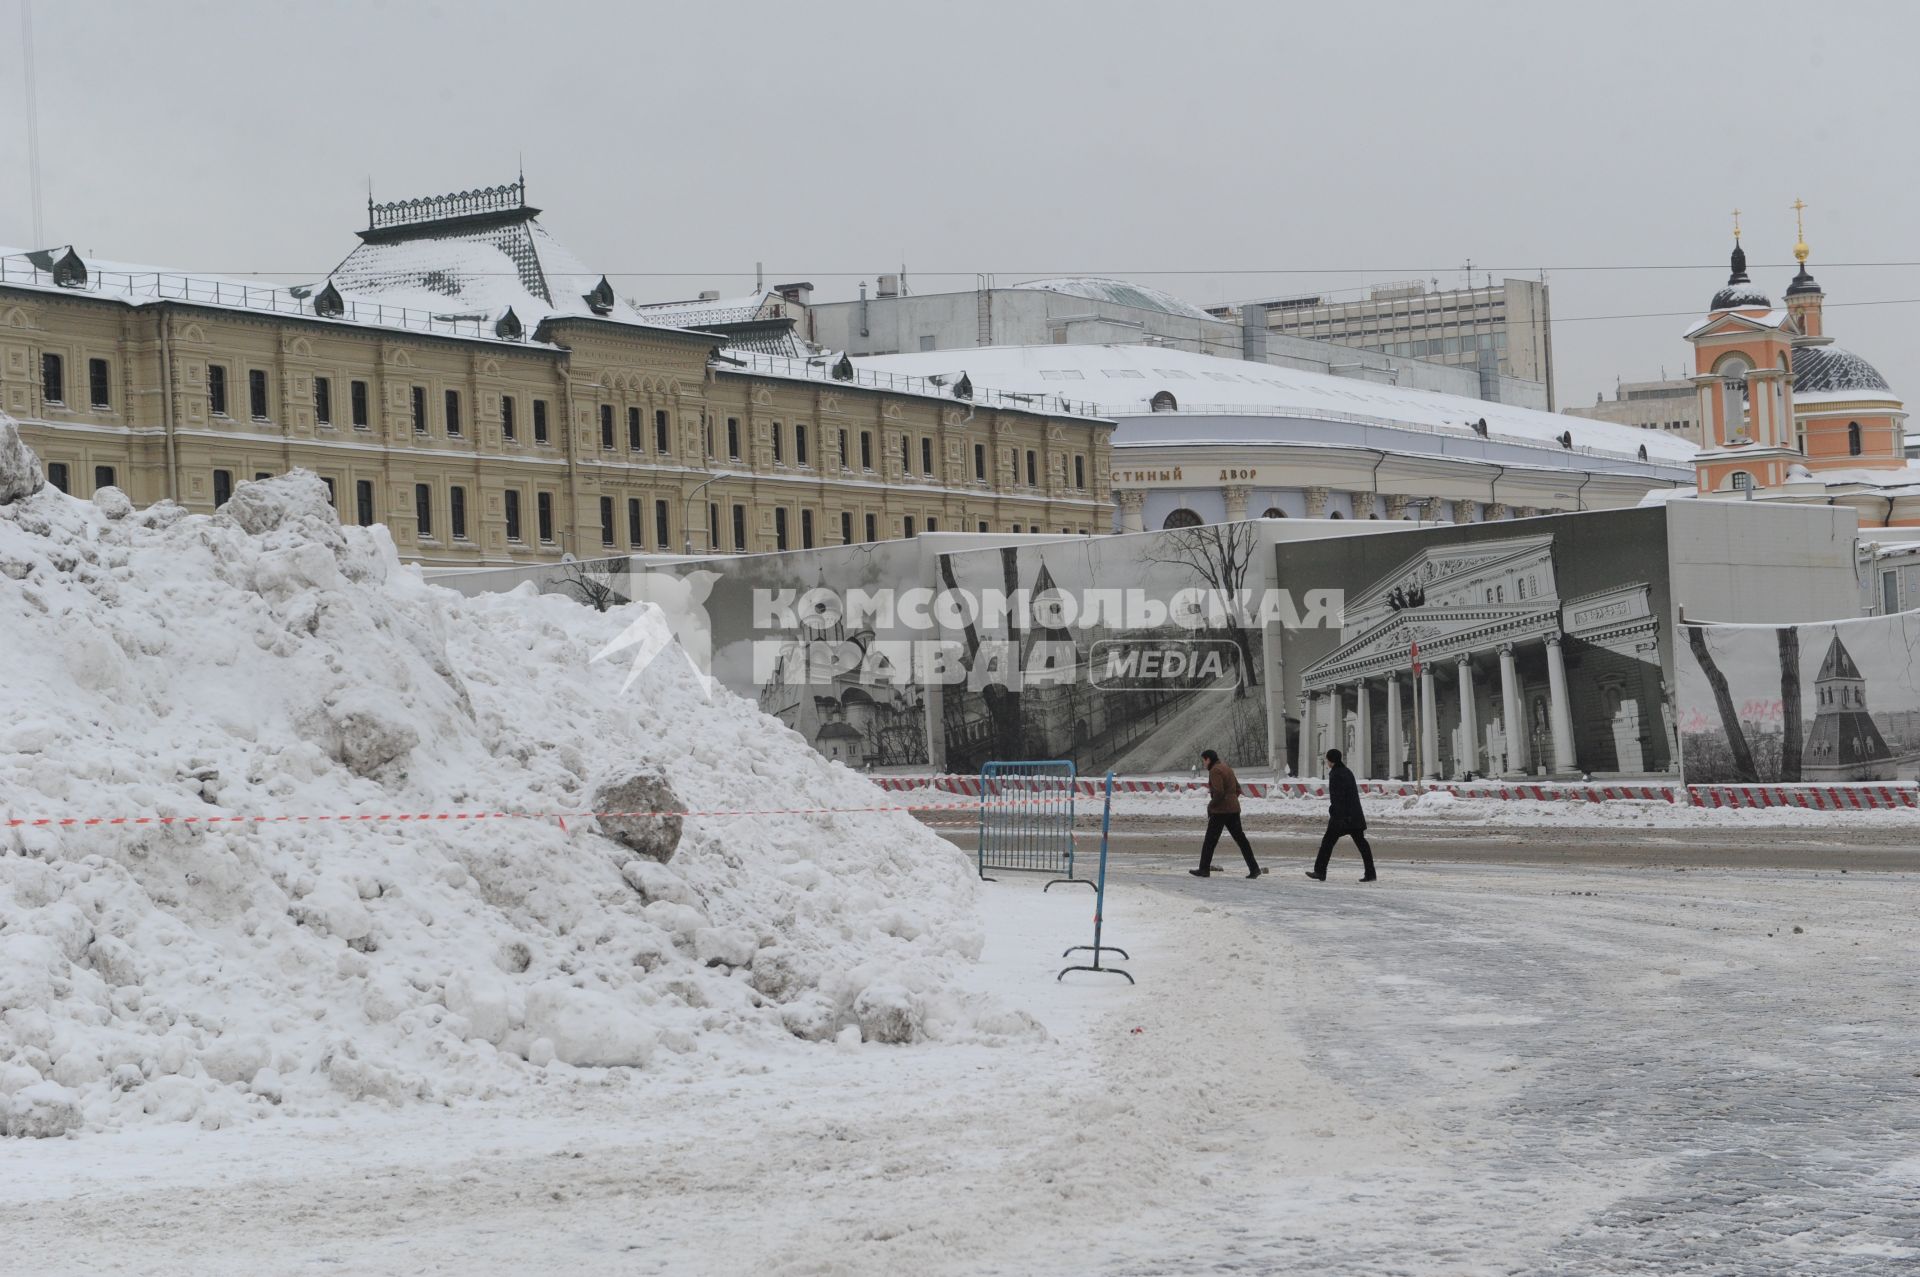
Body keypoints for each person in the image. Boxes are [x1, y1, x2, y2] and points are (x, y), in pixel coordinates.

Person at [1189, 749, 1263, 879]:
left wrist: (1211, 806)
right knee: (1241, 840)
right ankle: (1254, 868)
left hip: (1220, 811)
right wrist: (1232, 800)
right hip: (1233, 810)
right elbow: (1238, 789)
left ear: (1208, 759)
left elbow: (1218, 792)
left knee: (1210, 841)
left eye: (1204, 761)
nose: (1203, 764)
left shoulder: (1215, 771)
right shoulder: (1227, 768)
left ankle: (1204, 869)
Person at [1307, 748, 1377, 882]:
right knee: (1362, 844)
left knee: (1327, 843)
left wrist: (1334, 813)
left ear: (1331, 761)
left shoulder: (1335, 774)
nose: (1327, 762)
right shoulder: (1347, 771)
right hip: (1355, 816)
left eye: (1327, 759)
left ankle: (1320, 871)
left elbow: (1337, 798)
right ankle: (1371, 873)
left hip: (1342, 818)